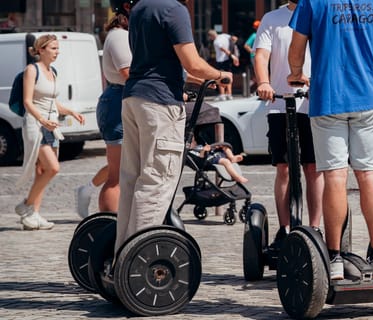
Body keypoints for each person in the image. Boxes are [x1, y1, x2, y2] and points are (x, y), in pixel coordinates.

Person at [288, 0, 373, 281]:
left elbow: (296, 50)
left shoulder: (311, 2)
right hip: (368, 96)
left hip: (328, 98)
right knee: (368, 174)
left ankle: (334, 257)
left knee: (335, 177)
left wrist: (296, 73)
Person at [116, 0, 232, 253]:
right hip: (160, 103)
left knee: (131, 180)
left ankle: (119, 257)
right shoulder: (173, 10)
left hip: (134, 97)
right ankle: (138, 257)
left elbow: (157, 62)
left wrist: (193, 79)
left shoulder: (140, 9)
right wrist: (220, 74)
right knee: (156, 180)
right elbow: (193, 63)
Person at [253, 0, 323, 248]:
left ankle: (315, 228)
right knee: (282, 167)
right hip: (279, 103)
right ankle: (284, 230)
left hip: (312, 103)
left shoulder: (319, 12)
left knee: (313, 168)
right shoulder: (272, 19)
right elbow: (261, 56)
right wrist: (264, 83)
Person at [14, 34, 86, 230]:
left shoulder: (52, 71)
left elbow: (53, 103)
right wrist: (42, 120)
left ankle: (33, 216)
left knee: (43, 171)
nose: (57, 52)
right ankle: (26, 205)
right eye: (53, 48)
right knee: (53, 168)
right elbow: (28, 101)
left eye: (57, 48)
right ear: (41, 50)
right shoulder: (32, 70)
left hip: (52, 126)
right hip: (36, 125)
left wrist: (71, 111)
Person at [74, 6, 132, 219]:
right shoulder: (119, 37)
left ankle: (87, 189)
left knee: (123, 165)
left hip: (123, 100)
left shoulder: (123, 36)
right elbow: (128, 73)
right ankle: (108, 224)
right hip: (117, 102)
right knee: (117, 174)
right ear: (124, 17)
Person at [207, 29, 236, 101]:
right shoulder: (224, 36)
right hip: (227, 60)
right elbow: (234, 38)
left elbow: (223, 49)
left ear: (211, 36)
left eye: (210, 37)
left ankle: (222, 95)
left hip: (220, 61)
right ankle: (229, 94)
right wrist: (232, 48)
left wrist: (231, 55)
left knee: (220, 77)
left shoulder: (216, 41)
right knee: (228, 77)